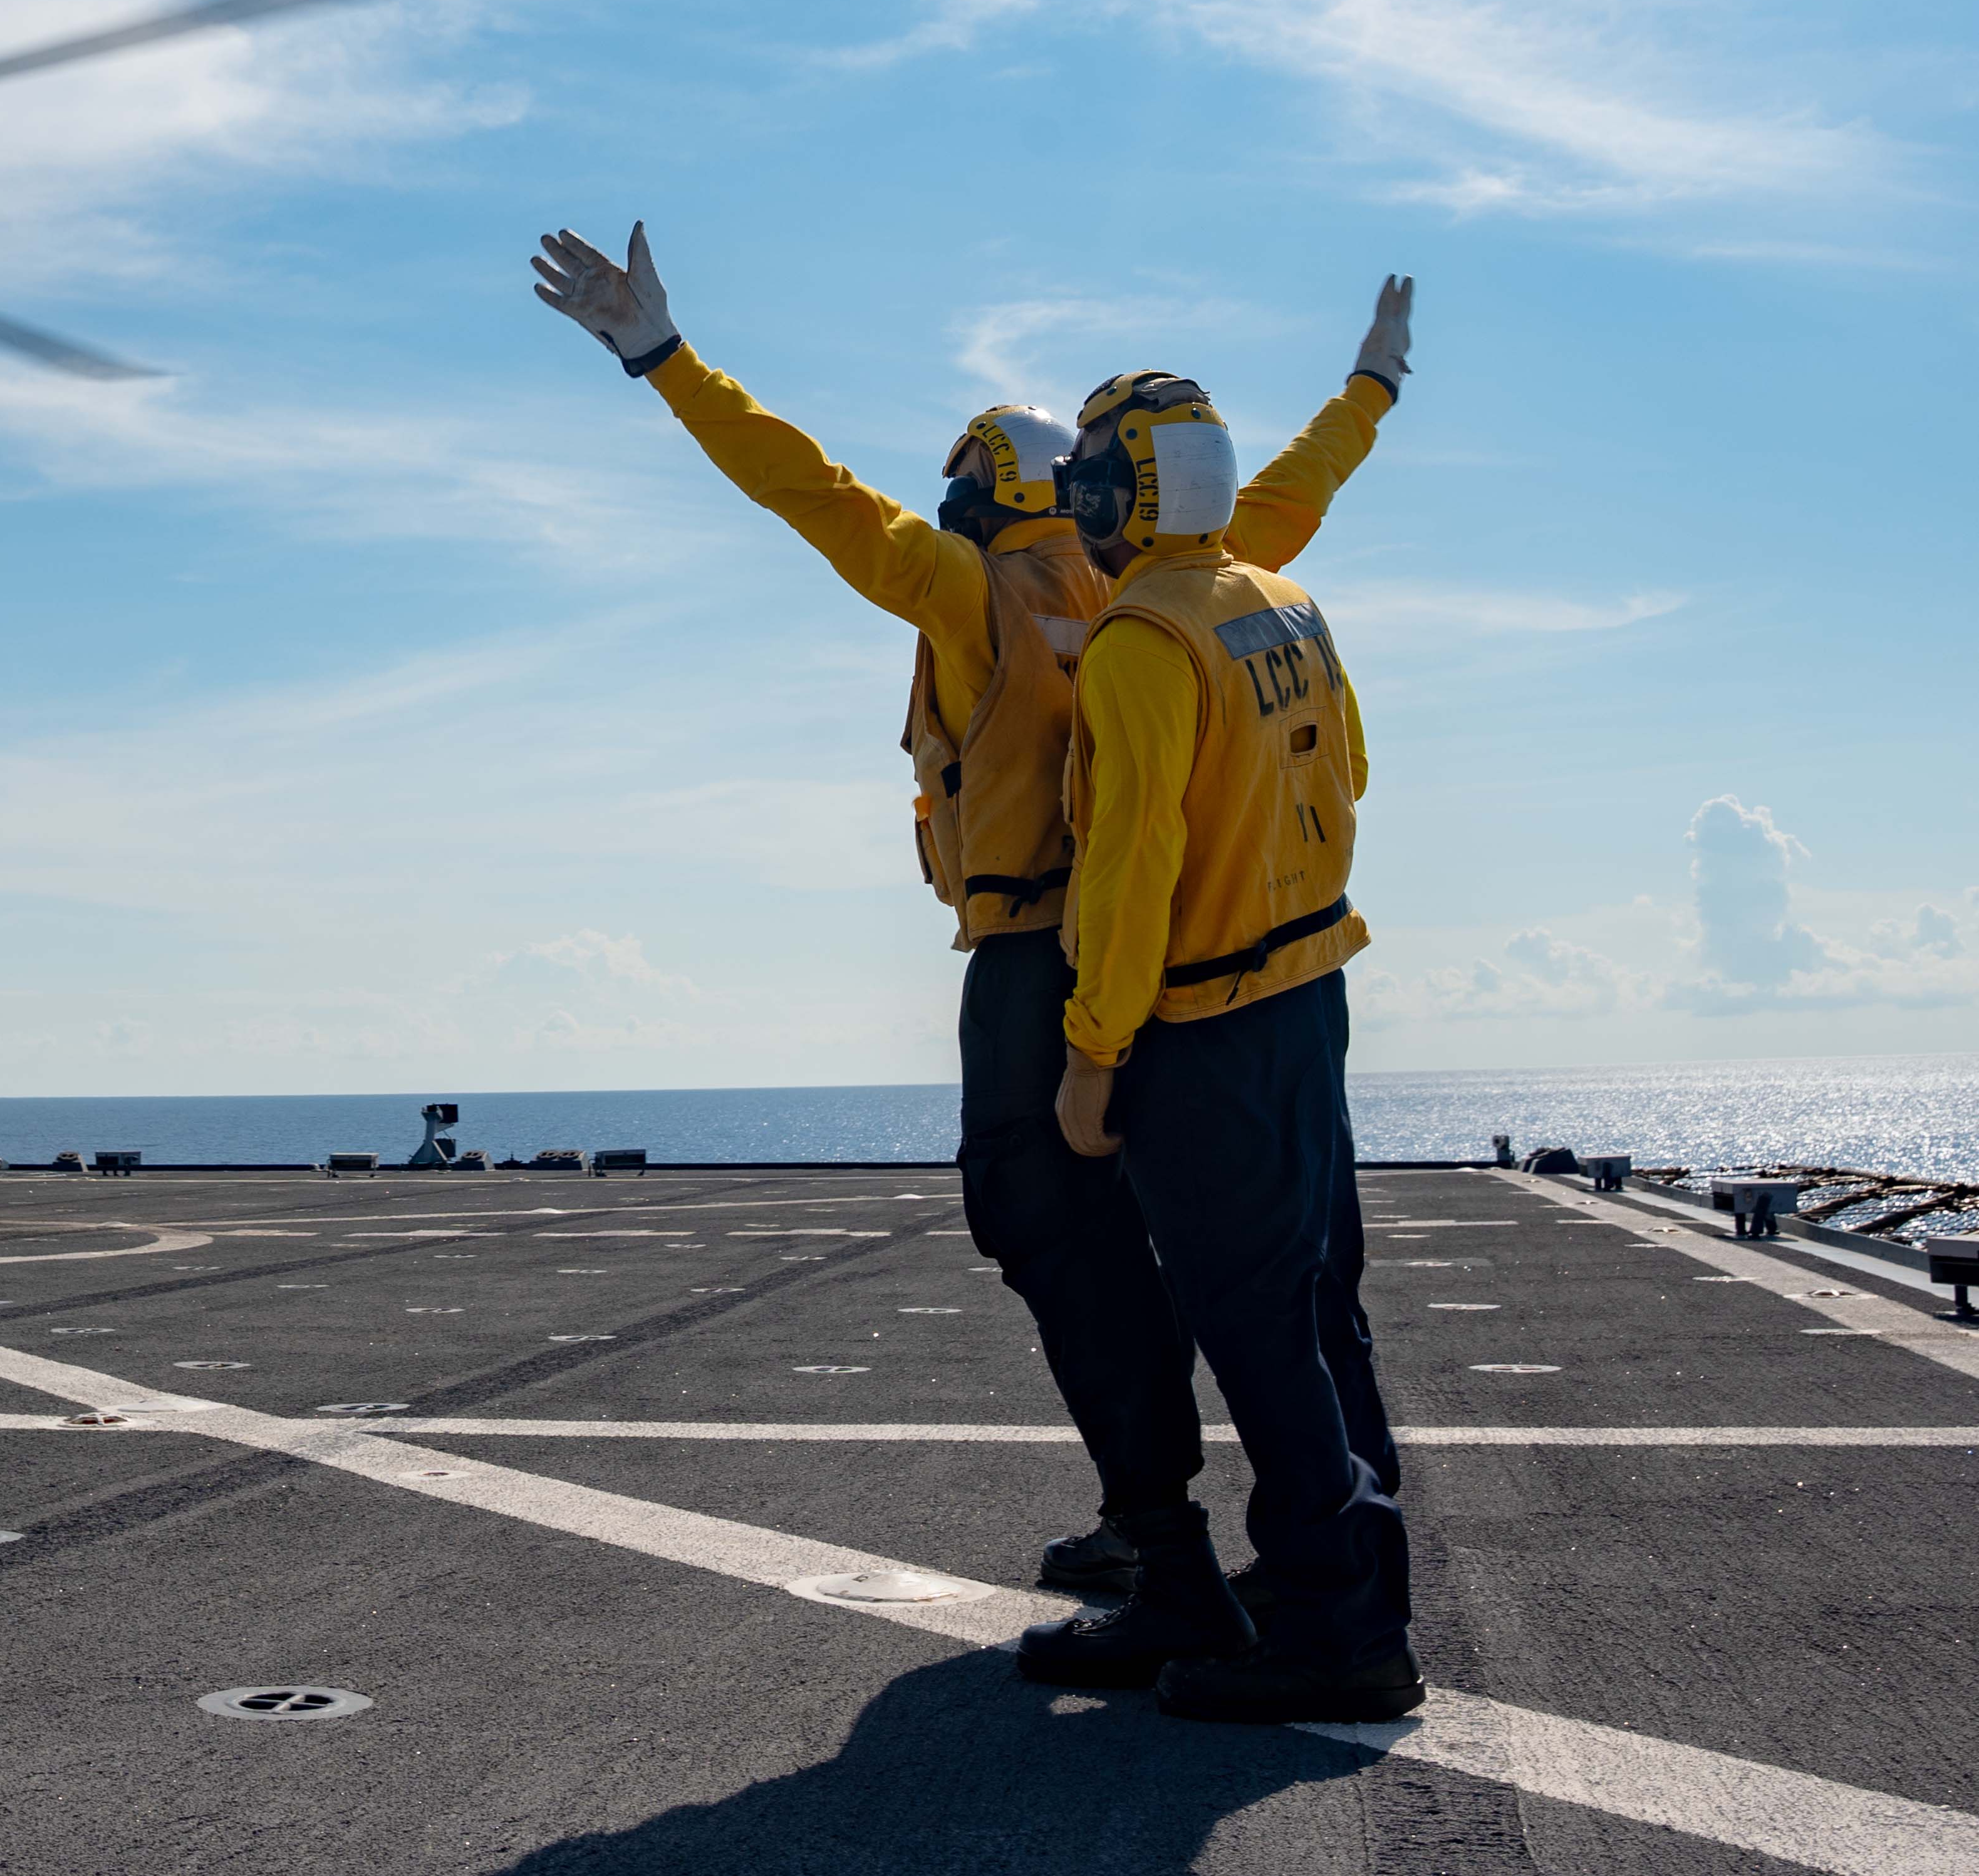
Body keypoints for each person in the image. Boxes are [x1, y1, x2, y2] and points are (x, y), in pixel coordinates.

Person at [526, 225, 1410, 1682]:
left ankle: (1167, 1549)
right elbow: (1304, 482)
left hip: (1039, 972)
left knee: (1056, 1243)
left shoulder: (969, 590)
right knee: (1268, 1272)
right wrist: (1372, 381)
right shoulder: (1201, 567)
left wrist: (662, 360)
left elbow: (807, 487)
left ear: (978, 495)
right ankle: (1316, 1557)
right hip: (1214, 979)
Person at [1049, 367, 1420, 1723]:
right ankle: (1348, 1584)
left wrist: (1095, 1051)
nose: (1072, 492)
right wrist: (1373, 381)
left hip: (1202, 1029)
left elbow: (1131, 865)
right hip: (1310, 994)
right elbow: (1352, 771)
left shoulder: (1141, 640)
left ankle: (1333, 1627)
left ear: (1137, 486)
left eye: (1093, 470)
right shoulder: (1282, 601)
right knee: (1324, 1310)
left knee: (1256, 1326)